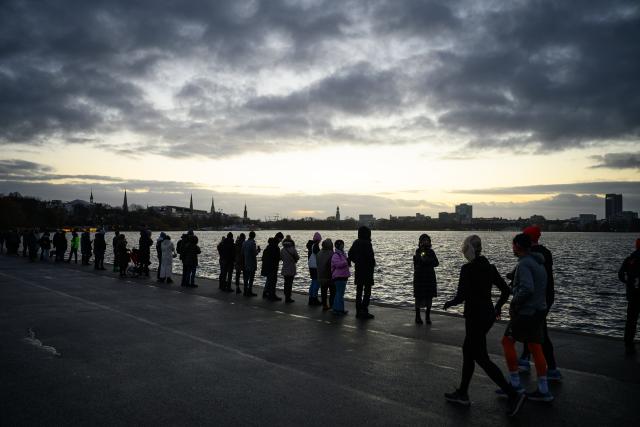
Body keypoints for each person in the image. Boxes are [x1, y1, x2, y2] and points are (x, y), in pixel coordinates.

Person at [442, 235, 526, 417]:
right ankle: (463, 393)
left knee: (480, 356)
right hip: (487, 315)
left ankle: (513, 394)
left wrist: (449, 302)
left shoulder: (467, 269)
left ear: (469, 250)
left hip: (474, 317)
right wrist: (497, 307)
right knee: (468, 351)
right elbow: (506, 290)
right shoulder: (490, 268)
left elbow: (461, 296)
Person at [501, 233, 553, 402]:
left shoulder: (524, 264)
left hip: (526, 313)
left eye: (513, 245)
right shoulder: (539, 264)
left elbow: (527, 289)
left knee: (507, 342)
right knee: (536, 347)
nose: (512, 248)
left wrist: (514, 301)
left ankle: (515, 384)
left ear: (518, 246)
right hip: (539, 311)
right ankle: (544, 389)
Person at [517, 226, 561, 380]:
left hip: (538, 297)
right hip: (546, 295)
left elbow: (531, 277)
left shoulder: (532, 255)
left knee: (539, 331)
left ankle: (551, 368)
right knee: (533, 328)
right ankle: (525, 358)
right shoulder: (544, 253)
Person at [348, 226, 376, 319]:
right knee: (367, 291)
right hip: (367, 270)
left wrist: (357, 261)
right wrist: (372, 264)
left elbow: (350, 254)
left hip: (359, 269)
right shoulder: (368, 243)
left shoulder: (356, 242)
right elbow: (370, 257)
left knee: (359, 291)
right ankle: (364, 310)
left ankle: (358, 311)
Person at [618, 238, 640, 355]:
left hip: (632, 295)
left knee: (631, 320)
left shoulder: (630, 259)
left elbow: (620, 274)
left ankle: (628, 343)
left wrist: (628, 282)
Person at [413, 234, 439, 325]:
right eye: (423, 240)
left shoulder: (431, 252)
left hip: (429, 277)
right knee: (418, 297)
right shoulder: (418, 251)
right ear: (420, 242)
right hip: (420, 277)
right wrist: (422, 259)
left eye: (427, 240)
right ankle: (417, 316)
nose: (425, 242)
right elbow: (417, 263)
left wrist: (427, 260)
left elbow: (436, 263)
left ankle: (427, 317)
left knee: (429, 297)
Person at [331, 240, 350, 315]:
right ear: (338, 246)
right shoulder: (335, 255)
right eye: (341, 245)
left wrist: (348, 262)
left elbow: (345, 263)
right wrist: (346, 261)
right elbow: (337, 265)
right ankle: (339, 310)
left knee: (339, 293)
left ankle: (336, 308)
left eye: (343, 244)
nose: (343, 246)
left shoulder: (342, 254)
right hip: (339, 276)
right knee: (339, 294)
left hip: (343, 276)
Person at [317, 238, 335, 311]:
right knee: (332, 292)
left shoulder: (319, 253)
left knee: (323, 291)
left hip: (321, 275)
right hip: (329, 275)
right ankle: (332, 305)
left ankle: (324, 305)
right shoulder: (331, 253)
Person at [280, 235, 300, 303]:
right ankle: (288, 297)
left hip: (285, 268)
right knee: (290, 283)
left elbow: (281, 258)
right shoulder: (293, 249)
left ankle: (286, 296)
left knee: (286, 282)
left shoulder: (282, 250)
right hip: (291, 268)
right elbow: (297, 257)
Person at [242, 231, 261, 297]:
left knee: (246, 278)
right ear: (254, 236)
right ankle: (249, 291)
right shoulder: (253, 243)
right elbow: (254, 253)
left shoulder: (244, 243)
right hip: (252, 263)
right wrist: (258, 250)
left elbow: (242, 252)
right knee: (251, 278)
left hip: (246, 262)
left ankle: (245, 291)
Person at [306, 232, 322, 305]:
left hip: (311, 266)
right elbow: (318, 255)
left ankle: (311, 298)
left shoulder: (310, 246)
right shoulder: (315, 246)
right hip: (315, 267)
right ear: (318, 239)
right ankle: (314, 298)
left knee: (313, 282)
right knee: (316, 282)